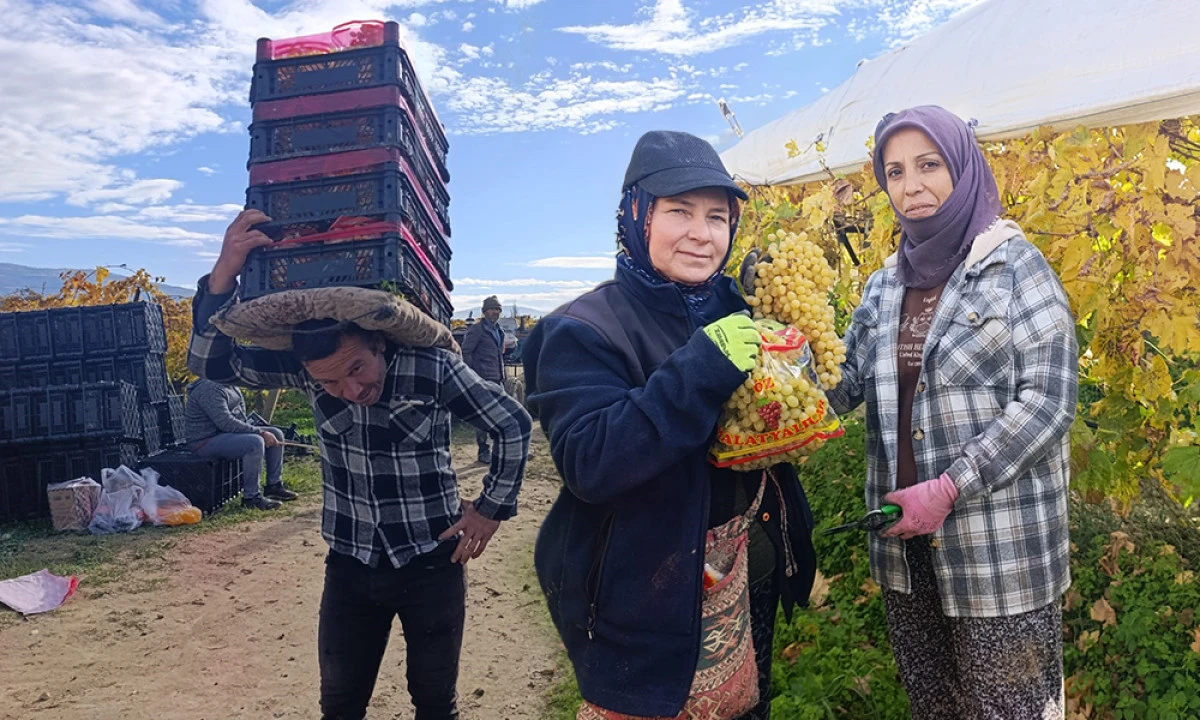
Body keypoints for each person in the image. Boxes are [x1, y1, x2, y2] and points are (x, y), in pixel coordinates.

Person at [187, 208, 534, 720]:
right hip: (350, 565)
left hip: (432, 562)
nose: (352, 391)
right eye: (330, 383)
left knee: (436, 704)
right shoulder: (303, 371)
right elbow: (210, 364)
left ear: (379, 343)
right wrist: (223, 276)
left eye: (357, 369)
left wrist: (489, 510)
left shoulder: (431, 367)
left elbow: (513, 423)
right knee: (341, 706)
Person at [523, 130, 817, 720]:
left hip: (747, 582)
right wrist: (702, 366)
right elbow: (592, 461)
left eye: (717, 217)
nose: (701, 233)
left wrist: (795, 365)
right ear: (636, 215)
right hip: (649, 605)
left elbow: (774, 417)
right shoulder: (580, 330)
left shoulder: (736, 308)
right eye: (678, 211)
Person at [826, 105, 1077, 719]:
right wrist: (781, 347)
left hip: (999, 551)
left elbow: (1049, 398)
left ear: (961, 167)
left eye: (928, 165)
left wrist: (950, 486)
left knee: (1010, 709)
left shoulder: (1015, 267)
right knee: (934, 706)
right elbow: (846, 382)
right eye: (894, 171)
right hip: (905, 550)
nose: (911, 186)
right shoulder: (886, 284)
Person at [185, 377, 296, 510]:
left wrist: (257, 428)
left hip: (224, 435)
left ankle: (274, 485)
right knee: (254, 443)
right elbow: (225, 422)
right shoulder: (209, 389)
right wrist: (259, 432)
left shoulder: (232, 386)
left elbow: (240, 417)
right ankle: (251, 497)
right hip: (204, 441)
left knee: (276, 433)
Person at [461, 295, 506, 464]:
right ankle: (483, 451)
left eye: (498, 309)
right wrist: (472, 375)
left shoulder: (499, 331)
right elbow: (466, 352)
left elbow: (498, 355)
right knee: (483, 417)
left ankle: (500, 450)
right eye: (492, 309)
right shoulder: (477, 330)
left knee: (501, 415)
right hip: (482, 378)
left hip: (497, 378)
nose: (495, 312)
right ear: (484, 311)